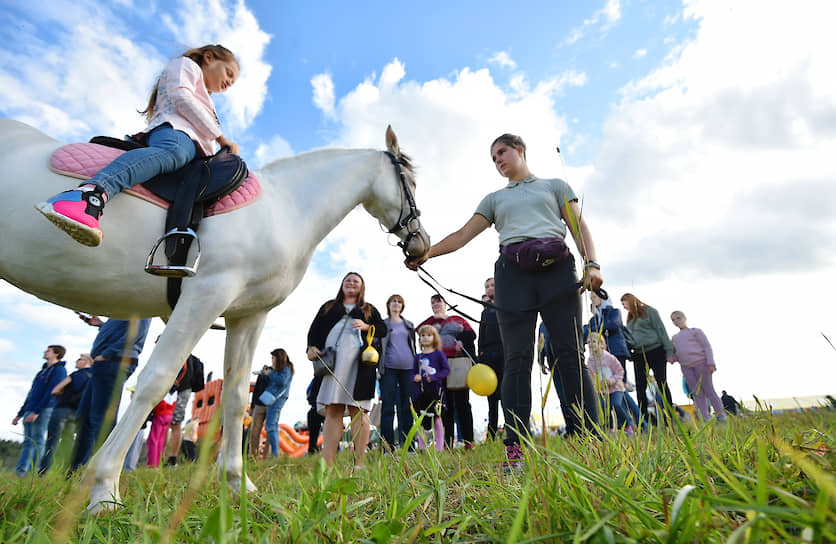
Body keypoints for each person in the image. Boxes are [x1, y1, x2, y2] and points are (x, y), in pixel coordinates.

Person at [407, 133, 602, 470]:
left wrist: (592, 263)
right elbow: (463, 235)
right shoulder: (495, 199)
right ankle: (515, 448)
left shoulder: (554, 186)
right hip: (513, 276)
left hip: (558, 270)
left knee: (570, 353)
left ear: (520, 150)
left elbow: (577, 224)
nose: (498, 160)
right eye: (493, 157)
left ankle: (589, 439)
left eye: (502, 152)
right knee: (517, 359)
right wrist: (428, 253)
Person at [36, 44, 240, 247]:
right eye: (229, 73)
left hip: (197, 152)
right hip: (176, 133)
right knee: (175, 152)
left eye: (233, 82)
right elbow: (181, 97)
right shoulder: (186, 65)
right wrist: (221, 138)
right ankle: (89, 194)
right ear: (209, 57)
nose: (229, 82)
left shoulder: (208, 100)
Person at [306, 272, 386, 468]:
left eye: (356, 281)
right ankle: (328, 464)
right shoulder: (329, 307)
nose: (351, 283)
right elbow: (314, 330)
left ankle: (359, 463)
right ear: (342, 284)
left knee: (359, 410)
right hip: (333, 363)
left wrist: (367, 326)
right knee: (333, 408)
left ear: (361, 287)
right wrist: (311, 347)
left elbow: (383, 329)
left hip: (361, 365)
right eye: (347, 280)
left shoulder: (368, 309)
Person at [71, 315, 151, 471]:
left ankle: (99, 469)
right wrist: (101, 325)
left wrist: (107, 354)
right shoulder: (122, 307)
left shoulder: (141, 303)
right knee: (85, 417)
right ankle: (76, 469)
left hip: (113, 361)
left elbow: (135, 333)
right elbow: (122, 329)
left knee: (101, 419)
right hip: (104, 363)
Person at [418, 294, 476, 450]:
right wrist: (434, 319)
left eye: (438, 302)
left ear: (445, 304)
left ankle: (468, 441)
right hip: (439, 367)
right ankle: (447, 442)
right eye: (433, 303)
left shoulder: (457, 320)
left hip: (457, 363)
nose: (436, 305)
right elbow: (419, 331)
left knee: (463, 403)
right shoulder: (429, 322)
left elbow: (471, 333)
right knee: (444, 405)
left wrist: (463, 340)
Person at [12, 345, 68, 477]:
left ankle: (34, 471)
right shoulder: (42, 372)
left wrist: (37, 411)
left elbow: (51, 392)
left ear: (56, 354)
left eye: (48, 350)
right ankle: (21, 472)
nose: (45, 352)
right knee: (27, 441)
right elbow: (31, 394)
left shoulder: (59, 370)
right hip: (30, 409)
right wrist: (20, 414)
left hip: (43, 409)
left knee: (38, 440)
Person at [620, 294, 674, 424]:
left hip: (655, 350)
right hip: (639, 353)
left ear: (631, 301)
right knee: (640, 386)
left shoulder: (650, 312)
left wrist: (669, 350)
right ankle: (643, 419)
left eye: (624, 303)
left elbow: (661, 330)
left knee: (661, 383)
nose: (623, 307)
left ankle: (669, 418)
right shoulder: (630, 319)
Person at [39, 353, 93, 473]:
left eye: (79, 359)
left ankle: (44, 470)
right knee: (68, 442)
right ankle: (63, 469)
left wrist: (63, 394)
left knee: (52, 441)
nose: (77, 361)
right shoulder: (93, 377)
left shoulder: (75, 374)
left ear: (86, 361)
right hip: (77, 413)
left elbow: (56, 390)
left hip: (62, 409)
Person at [378, 294, 417, 452]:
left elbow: (413, 345)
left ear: (402, 306)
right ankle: (388, 447)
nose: (396, 304)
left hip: (408, 369)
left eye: (399, 301)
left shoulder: (409, 324)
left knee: (407, 407)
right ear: (388, 305)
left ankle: (409, 447)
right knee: (388, 407)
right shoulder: (383, 324)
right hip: (388, 369)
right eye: (393, 301)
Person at [671, 311, 726, 422]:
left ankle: (721, 416)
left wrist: (710, 363)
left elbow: (707, 347)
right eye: (674, 320)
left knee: (709, 390)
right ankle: (704, 418)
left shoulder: (695, 332)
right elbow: (677, 353)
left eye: (679, 318)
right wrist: (672, 358)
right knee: (697, 393)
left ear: (685, 318)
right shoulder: (675, 338)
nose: (677, 321)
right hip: (686, 368)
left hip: (701, 363)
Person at [411, 325, 450, 452]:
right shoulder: (418, 357)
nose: (425, 338)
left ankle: (439, 448)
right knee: (421, 420)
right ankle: (422, 447)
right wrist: (415, 377)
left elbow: (446, 370)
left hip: (436, 391)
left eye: (429, 335)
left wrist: (433, 377)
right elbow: (412, 373)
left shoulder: (439, 354)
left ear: (434, 338)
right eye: (422, 336)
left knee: (437, 419)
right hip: (421, 393)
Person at [586, 335, 634, 436]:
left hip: (616, 388)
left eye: (593, 341)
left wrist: (612, 380)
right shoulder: (590, 361)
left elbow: (620, 371)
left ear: (602, 344)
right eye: (589, 342)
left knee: (615, 404)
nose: (590, 344)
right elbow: (591, 376)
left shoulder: (610, 358)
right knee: (603, 407)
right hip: (602, 390)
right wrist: (597, 385)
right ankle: (609, 429)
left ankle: (628, 426)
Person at [166, 354, 204, 466]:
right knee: (169, 424)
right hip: (180, 390)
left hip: (179, 390)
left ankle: (169, 458)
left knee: (172, 424)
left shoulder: (183, 353)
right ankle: (166, 457)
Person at [478, 278, 504, 440]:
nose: (489, 288)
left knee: (506, 393)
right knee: (491, 397)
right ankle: (492, 434)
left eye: (493, 285)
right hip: (488, 355)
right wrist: (480, 354)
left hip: (503, 352)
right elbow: (481, 334)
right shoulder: (485, 312)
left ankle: (513, 430)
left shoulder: (505, 306)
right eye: (486, 286)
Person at [264, 348, 295, 458]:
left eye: (273, 358)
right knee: (273, 426)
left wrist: (270, 374)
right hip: (276, 398)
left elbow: (282, 381)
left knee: (270, 426)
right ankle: (275, 454)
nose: (272, 360)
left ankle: (275, 454)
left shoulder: (286, 369)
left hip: (277, 399)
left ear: (278, 358)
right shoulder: (284, 368)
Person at [146, 389, 177, 467]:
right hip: (169, 414)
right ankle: (157, 463)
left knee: (153, 439)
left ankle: (151, 463)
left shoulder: (163, 388)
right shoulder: (174, 391)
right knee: (161, 440)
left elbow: (159, 403)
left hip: (160, 414)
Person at [248, 364, 272, 458]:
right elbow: (256, 390)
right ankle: (252, 456)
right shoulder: (262, 374)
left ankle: (267, 457)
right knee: (254, 431)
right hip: (259, 405)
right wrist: (252, 406)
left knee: (270, 433)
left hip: (272, 406)